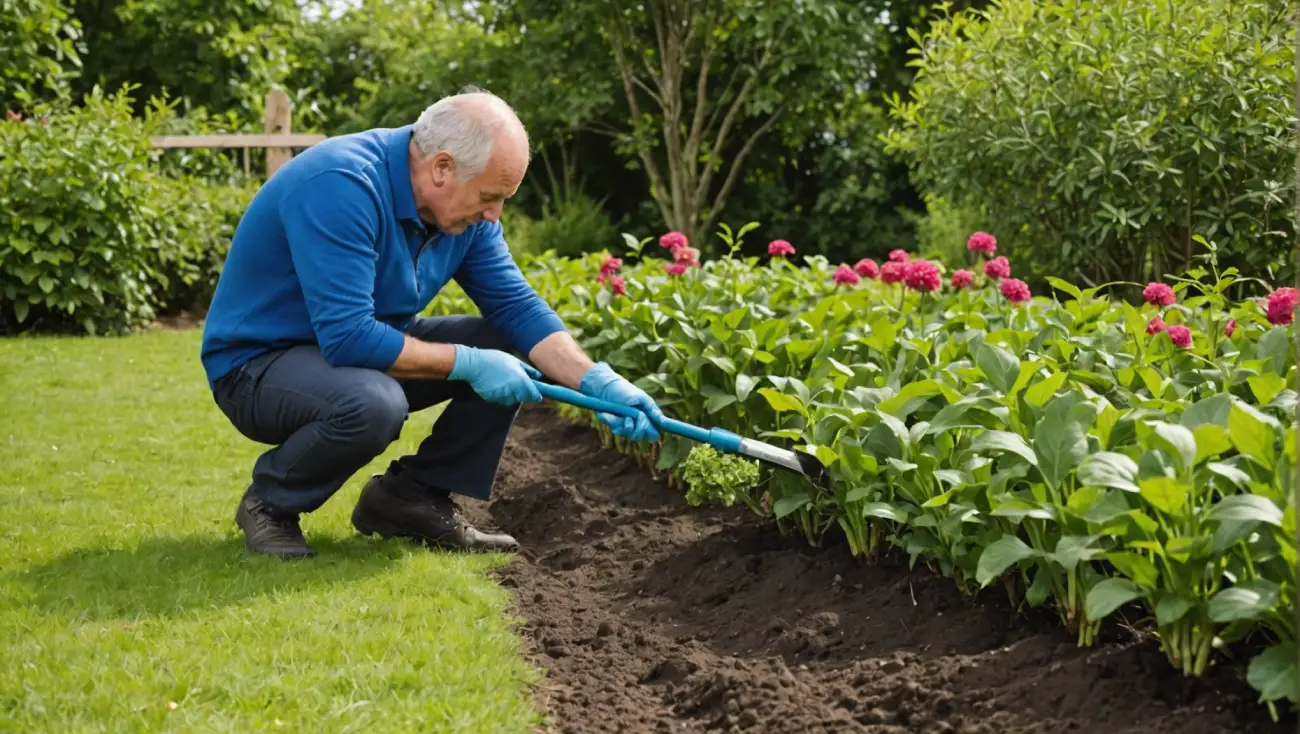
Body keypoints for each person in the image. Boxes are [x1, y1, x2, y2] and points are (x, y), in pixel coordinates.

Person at [199, 89, 663, 559]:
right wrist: (468, 362)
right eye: (489, 196)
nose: (494, 214)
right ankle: (270, 503)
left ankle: (409, 498)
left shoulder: (467, 217)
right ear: (442, 168)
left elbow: (517, 308)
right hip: (257, 365)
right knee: (375, 403)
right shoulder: (343, 183)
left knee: (508, 341)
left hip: (355, 350)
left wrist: (596, 382)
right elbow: (348, 336)